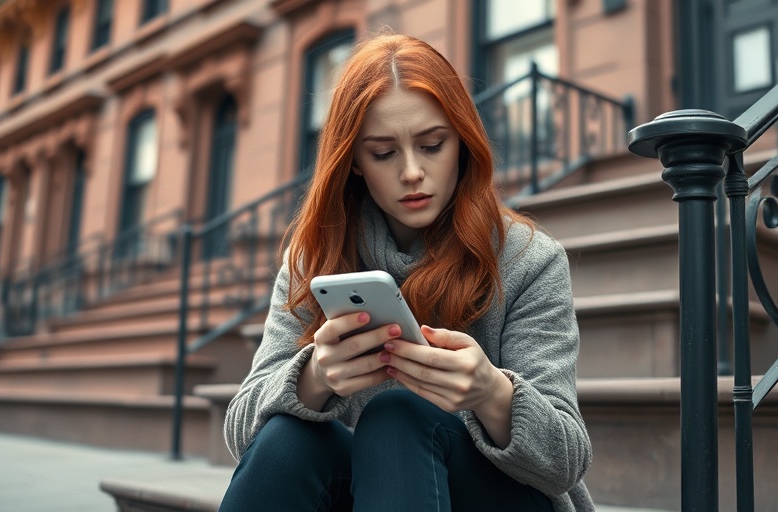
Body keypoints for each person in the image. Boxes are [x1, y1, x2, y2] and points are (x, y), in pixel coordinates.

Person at [219, 33, 594, 512]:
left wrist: (492, 393)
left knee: (396, 416)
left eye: (432, 144)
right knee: (287, 439)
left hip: (502, 498)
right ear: (353, 161)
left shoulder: (527, 259)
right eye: (383, 153)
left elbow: (565, 462)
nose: (412, 171)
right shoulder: (314, 258)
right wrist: (314, 377)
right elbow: (243, 436)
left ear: (462, 142)